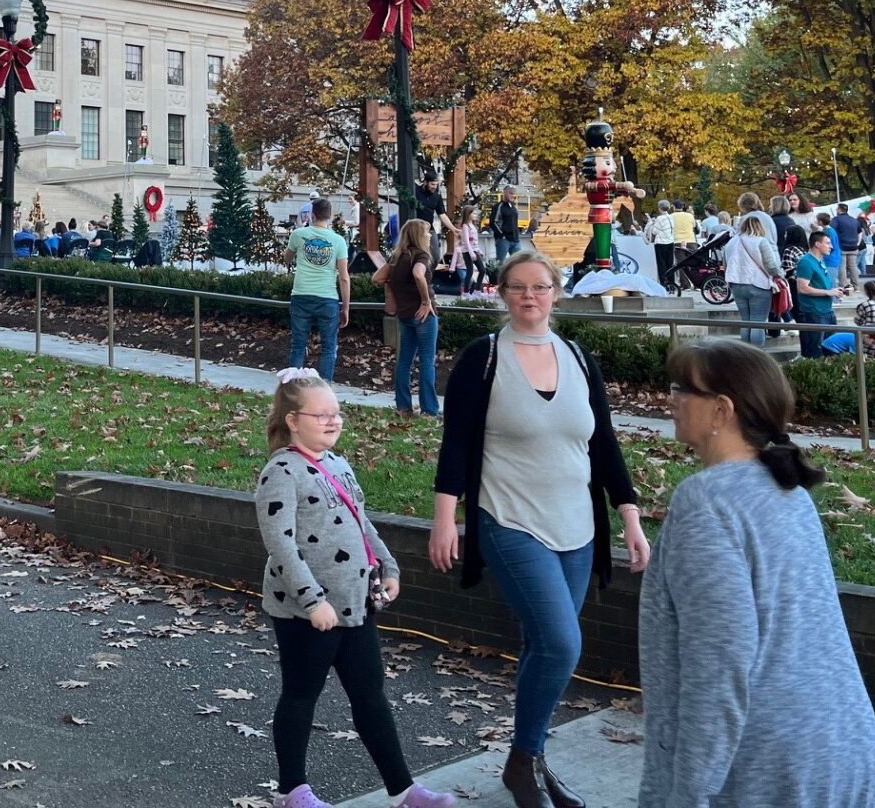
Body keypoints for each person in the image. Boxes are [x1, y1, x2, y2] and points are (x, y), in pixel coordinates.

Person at [429, 249, 648, 808]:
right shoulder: (483, 359)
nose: (530, 296)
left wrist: (629, 517)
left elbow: (603, 445)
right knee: (560, 641)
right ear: (502, 293)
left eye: (541, 287)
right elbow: (455, 445)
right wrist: (444, 519)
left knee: (542, 644)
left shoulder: (577, 356)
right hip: (509, 519)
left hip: (578, 527)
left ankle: (527, 762)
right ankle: (526, 760)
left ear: (556, 292)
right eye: (518, 287)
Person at [638, 340, 875, 808]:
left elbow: (718, 665)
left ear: (721, 411)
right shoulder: (787, 491)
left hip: (764, 768)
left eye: (682, 389)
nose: (670, 399)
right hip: (840, 743)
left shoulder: (706, 504)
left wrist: (687, 794)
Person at [255, 371, 456, 808]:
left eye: (337, 413)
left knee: (370, 696)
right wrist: (312, 602)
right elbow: (280, 545)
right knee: (301, 695)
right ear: (292, 420)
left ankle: (404, 791)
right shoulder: (281, 471)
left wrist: (388, 566)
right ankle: (292, 791)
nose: (333, 421)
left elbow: (362, 524)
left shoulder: (337, 465)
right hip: (305, 611)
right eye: (321, 414)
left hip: (354, 602)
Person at [282, 198, 351, 381]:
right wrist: (345, 307)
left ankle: (293, 390)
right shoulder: (338, 241)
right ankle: (324, 391)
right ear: (330, 216)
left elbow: (286, 258)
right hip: (327, 298)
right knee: (328, 347)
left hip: (301, 295)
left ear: (312, 215)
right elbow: (344, 277)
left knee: (298, 345)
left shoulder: (298, 234)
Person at [377, 219, 440, 417]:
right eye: (427, 233)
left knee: (405, 361)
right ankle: (429, 410)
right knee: (427, 361)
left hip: (404, 315)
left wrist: (394, 287)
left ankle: (403, 407)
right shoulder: (421, 255)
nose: (430, 236)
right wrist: (425, 300)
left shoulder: (397, 257)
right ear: (419, 236)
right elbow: (418, 274)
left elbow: (376, 278)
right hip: (423, 316)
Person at [723, 209, 782, 346]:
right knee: (758, 322)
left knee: (746, 321)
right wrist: (779, 275)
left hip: (736, 284)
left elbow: (725, 264)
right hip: (758, 284)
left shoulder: (731, 243)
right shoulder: (761, 241)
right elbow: (770, 264)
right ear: (760, 227)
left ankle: (746, 352)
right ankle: (757, 353)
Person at [793, 229, 842, 359]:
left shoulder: (820, 260)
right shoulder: (806, 262)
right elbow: (802, 288)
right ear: (817, 244)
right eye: (828, 243)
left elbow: (819, 284)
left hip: (826, 310)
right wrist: (828, 292)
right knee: (816, 350)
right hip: (814, 311)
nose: (831, 246)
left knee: (830, 348)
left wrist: (836, 291)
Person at [831, 204, 863, 290]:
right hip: (853, 246)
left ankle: (844, 285)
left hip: (841, 246)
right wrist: (858, 242)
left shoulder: (836, 219)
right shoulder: (854, 220)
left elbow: (831, 229)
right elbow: (860, 232)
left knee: (842, 266)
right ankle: (856, 286)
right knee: (853, 266)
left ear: (839, 210)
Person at [644, 200, 675, 289]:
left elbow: (654, 231)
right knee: (670, 263)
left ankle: (663, 284)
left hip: (661, 243)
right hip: (670, 241)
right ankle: (671, 284)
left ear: (660, 208)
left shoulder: (660, 218)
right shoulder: (671, 217)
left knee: (661, 264)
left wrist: (652, 223)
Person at [491, 188, 522, 265]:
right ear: (505, 193)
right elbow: (493, 222)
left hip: (515, 239)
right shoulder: (498, 206)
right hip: (503, 239)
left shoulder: (513, 207)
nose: (513, 195)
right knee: (500, 263)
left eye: (514, 194)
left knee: (519, 262)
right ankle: (498, 277)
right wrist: (501, 235)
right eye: (511, 193)